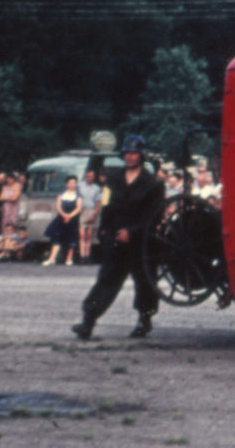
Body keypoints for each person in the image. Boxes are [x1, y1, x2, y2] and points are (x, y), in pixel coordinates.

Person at [72, 136, 165, 341]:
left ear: (141, 155)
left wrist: (132, 232)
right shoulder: (113, 179)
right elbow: (107, 206)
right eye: (127, 153)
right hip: (115, 240)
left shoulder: (154, 183)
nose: (130, 157)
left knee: (145, 283)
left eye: (134, 153)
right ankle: (88, 322)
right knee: (106, 280)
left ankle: (144, 321)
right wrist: (104, 230)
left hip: (142, 243)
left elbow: (154, 216)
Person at [42, 175, 82, 267]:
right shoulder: (61, 195)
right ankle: (51, 259)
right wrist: (64, 215)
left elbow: (78, 208)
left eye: (74, 183)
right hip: (61, 219)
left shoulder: (78, 196)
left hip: (73, 220)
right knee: (57, 238)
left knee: (71, 239)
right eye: (70, 183)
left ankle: (69, 259)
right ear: (66, 184)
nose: (72, 184)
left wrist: (69, 216)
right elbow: (58, 207)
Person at [78, 170, 102, 262]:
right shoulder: (80, 186)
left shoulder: (97, 188)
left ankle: (87, 255)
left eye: (91, 176)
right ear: (85, 176)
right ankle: (82, 255)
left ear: (94, 177)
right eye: (88, 176)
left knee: (89, 235)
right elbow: (77, 197)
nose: (89, 178)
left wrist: (94, 214)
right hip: (82, 211)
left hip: (91, 210)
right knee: (81, 235)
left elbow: (98, 202)